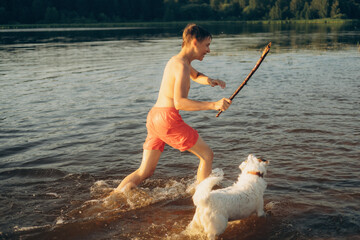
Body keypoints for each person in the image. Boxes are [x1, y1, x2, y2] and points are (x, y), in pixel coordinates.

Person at [115, 23, 231, 192]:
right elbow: (180, 103)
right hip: (167, 119)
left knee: (145, 171)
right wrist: (213, 105)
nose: (208, 50)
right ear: (194, 43)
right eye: (207, 45)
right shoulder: (182, 66)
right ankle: (204, 200)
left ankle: (112, 197)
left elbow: (196, 75)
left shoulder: (177, 61)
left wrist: (209, 80)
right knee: (207, 155)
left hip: (154, 116)